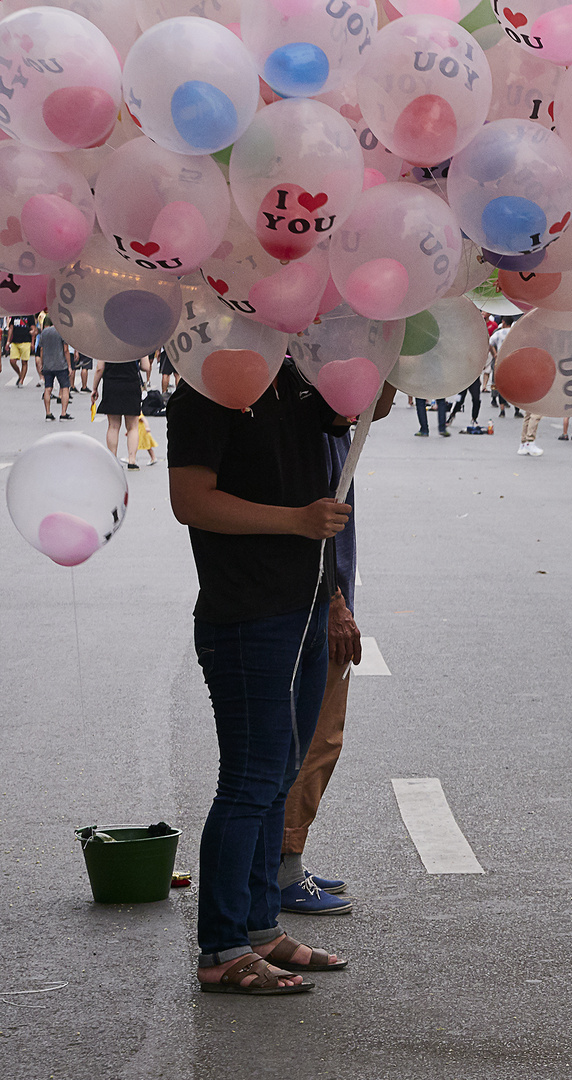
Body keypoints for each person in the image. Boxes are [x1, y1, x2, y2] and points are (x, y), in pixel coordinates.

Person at [166, 363, 392, 994]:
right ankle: (222, 947)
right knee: (250, 780)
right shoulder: (210, 386)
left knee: (279, 773)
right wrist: (295, 520)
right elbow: (190, 500)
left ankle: (261, 928)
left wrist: (393, 347)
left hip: (303, 607)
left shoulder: (292, 376)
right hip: (246, 615)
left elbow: (362, 410)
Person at [279, 431, 360, 916]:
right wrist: (333, 600)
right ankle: (284, 869)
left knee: (314, 739)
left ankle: (285, 861)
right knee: (312, 741)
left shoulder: (330, 423)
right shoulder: (311, 426)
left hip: (322, 598)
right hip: (315, 603)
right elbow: (314, 523)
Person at [91, 356, 147, 470]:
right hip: (131, 384)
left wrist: (94, 388)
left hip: (112, 384)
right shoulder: (138, 340)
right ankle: (132, 460)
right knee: (132, 427)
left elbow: (99, 368)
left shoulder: (107, 342)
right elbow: (146, 366)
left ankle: (113, 458)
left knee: (113, 426)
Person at [36, 316, 72, 422]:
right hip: (60, 364)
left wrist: (42, 363)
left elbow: (41, 349)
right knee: (65, 388)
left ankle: (48, 413)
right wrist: (69, 365)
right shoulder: (62, 332)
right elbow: (65, 350)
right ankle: (63, 413)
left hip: (47, 365)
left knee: (48, 388)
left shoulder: (45, 332)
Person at [7, 313, 33, 386]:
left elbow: (33, 328)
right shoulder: (15, 315)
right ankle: (20, 374)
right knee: (12, 361)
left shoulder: (29, 315)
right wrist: (8, 341)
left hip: (26, 341)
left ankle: (21, 380)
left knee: (24, 362)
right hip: (15, 341)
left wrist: (33, 342)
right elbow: (11, 328)